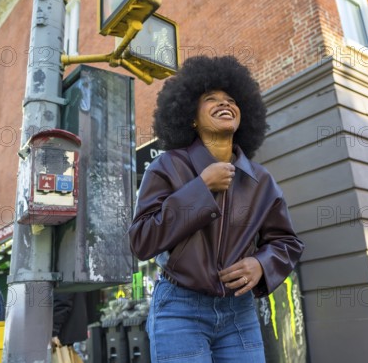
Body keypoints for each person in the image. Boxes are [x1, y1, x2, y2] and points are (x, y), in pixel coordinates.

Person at [128, 55, 305, 362]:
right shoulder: (166, 167)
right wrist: (200, 188)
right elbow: (142, 240)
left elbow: (287, 242)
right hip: (179, 309)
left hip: (239, 313)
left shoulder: (261, 180)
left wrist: (262, 264)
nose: (225, 104)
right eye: (211, 99)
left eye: (231, 100)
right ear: (191, 118)